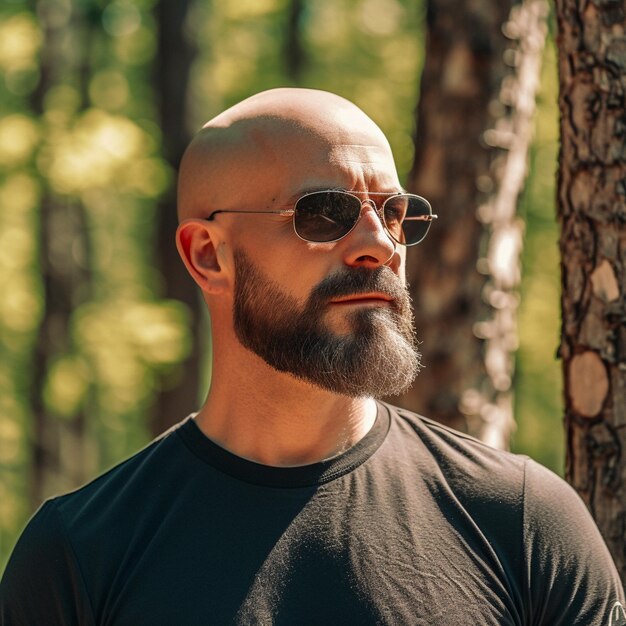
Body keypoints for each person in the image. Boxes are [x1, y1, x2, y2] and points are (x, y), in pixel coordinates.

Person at [1, 88, 624, 625]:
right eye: (325, 214)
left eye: (395, 212)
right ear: (208, 257)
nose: (379, 247)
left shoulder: (523, 524)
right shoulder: (79, 557)